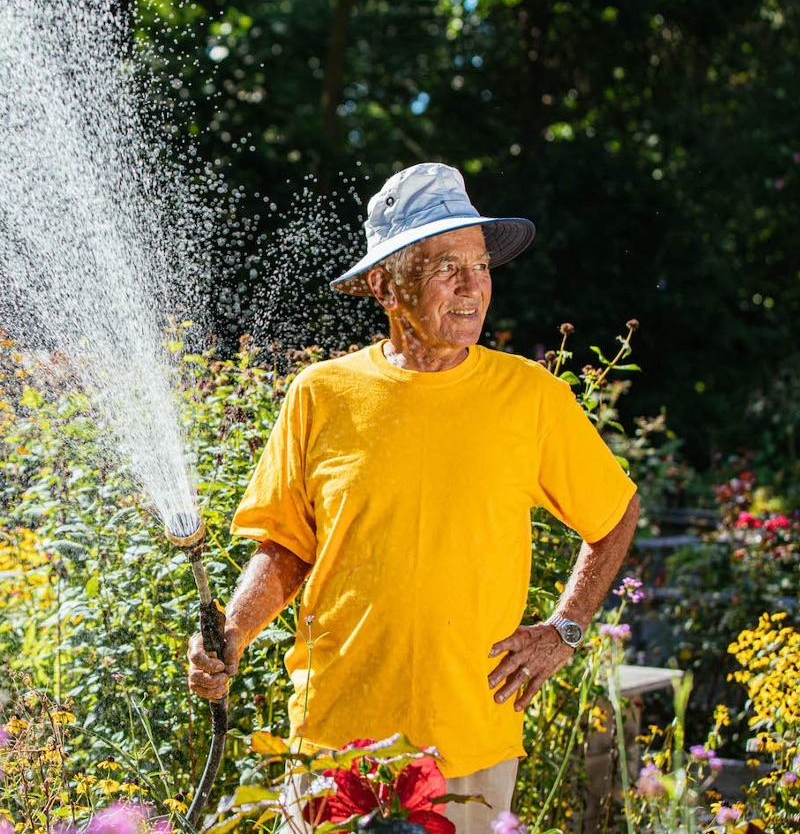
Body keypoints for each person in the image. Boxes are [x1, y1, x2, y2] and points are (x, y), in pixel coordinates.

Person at [188, 162, 639, 833]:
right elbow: (285, 545)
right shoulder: (321, 394)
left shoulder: (530, 397)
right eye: (443, 265)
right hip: (337, 737)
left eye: (480, 265)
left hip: (468, 738)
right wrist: (234, 631)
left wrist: (564, 628)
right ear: (384, 283)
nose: (471, 286)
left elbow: (614, 513)